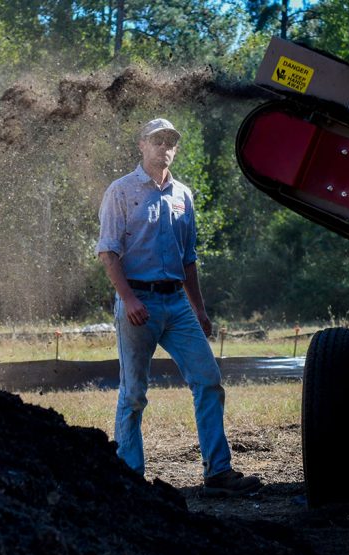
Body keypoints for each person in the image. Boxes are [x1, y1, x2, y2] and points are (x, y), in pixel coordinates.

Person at [96, 118, 261, 497]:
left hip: (177, 302)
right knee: (133, 393)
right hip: (139, 302)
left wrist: (199, 309)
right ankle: (130, 478)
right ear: (142, 145)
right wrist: (129, 299)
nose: (164, 147)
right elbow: (108, 252)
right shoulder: (121, 191)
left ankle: (218, 472)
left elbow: (189, 259)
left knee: (208, 380)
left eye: (170, 142)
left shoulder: (182, 195)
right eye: (157, 140)